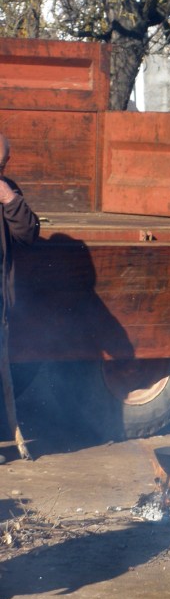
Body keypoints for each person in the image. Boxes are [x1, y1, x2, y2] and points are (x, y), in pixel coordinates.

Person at [0, 132, 40, 464]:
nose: (2, 169)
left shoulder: (7, 190)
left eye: (3, 163)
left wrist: (10, 199)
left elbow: (28, 234)